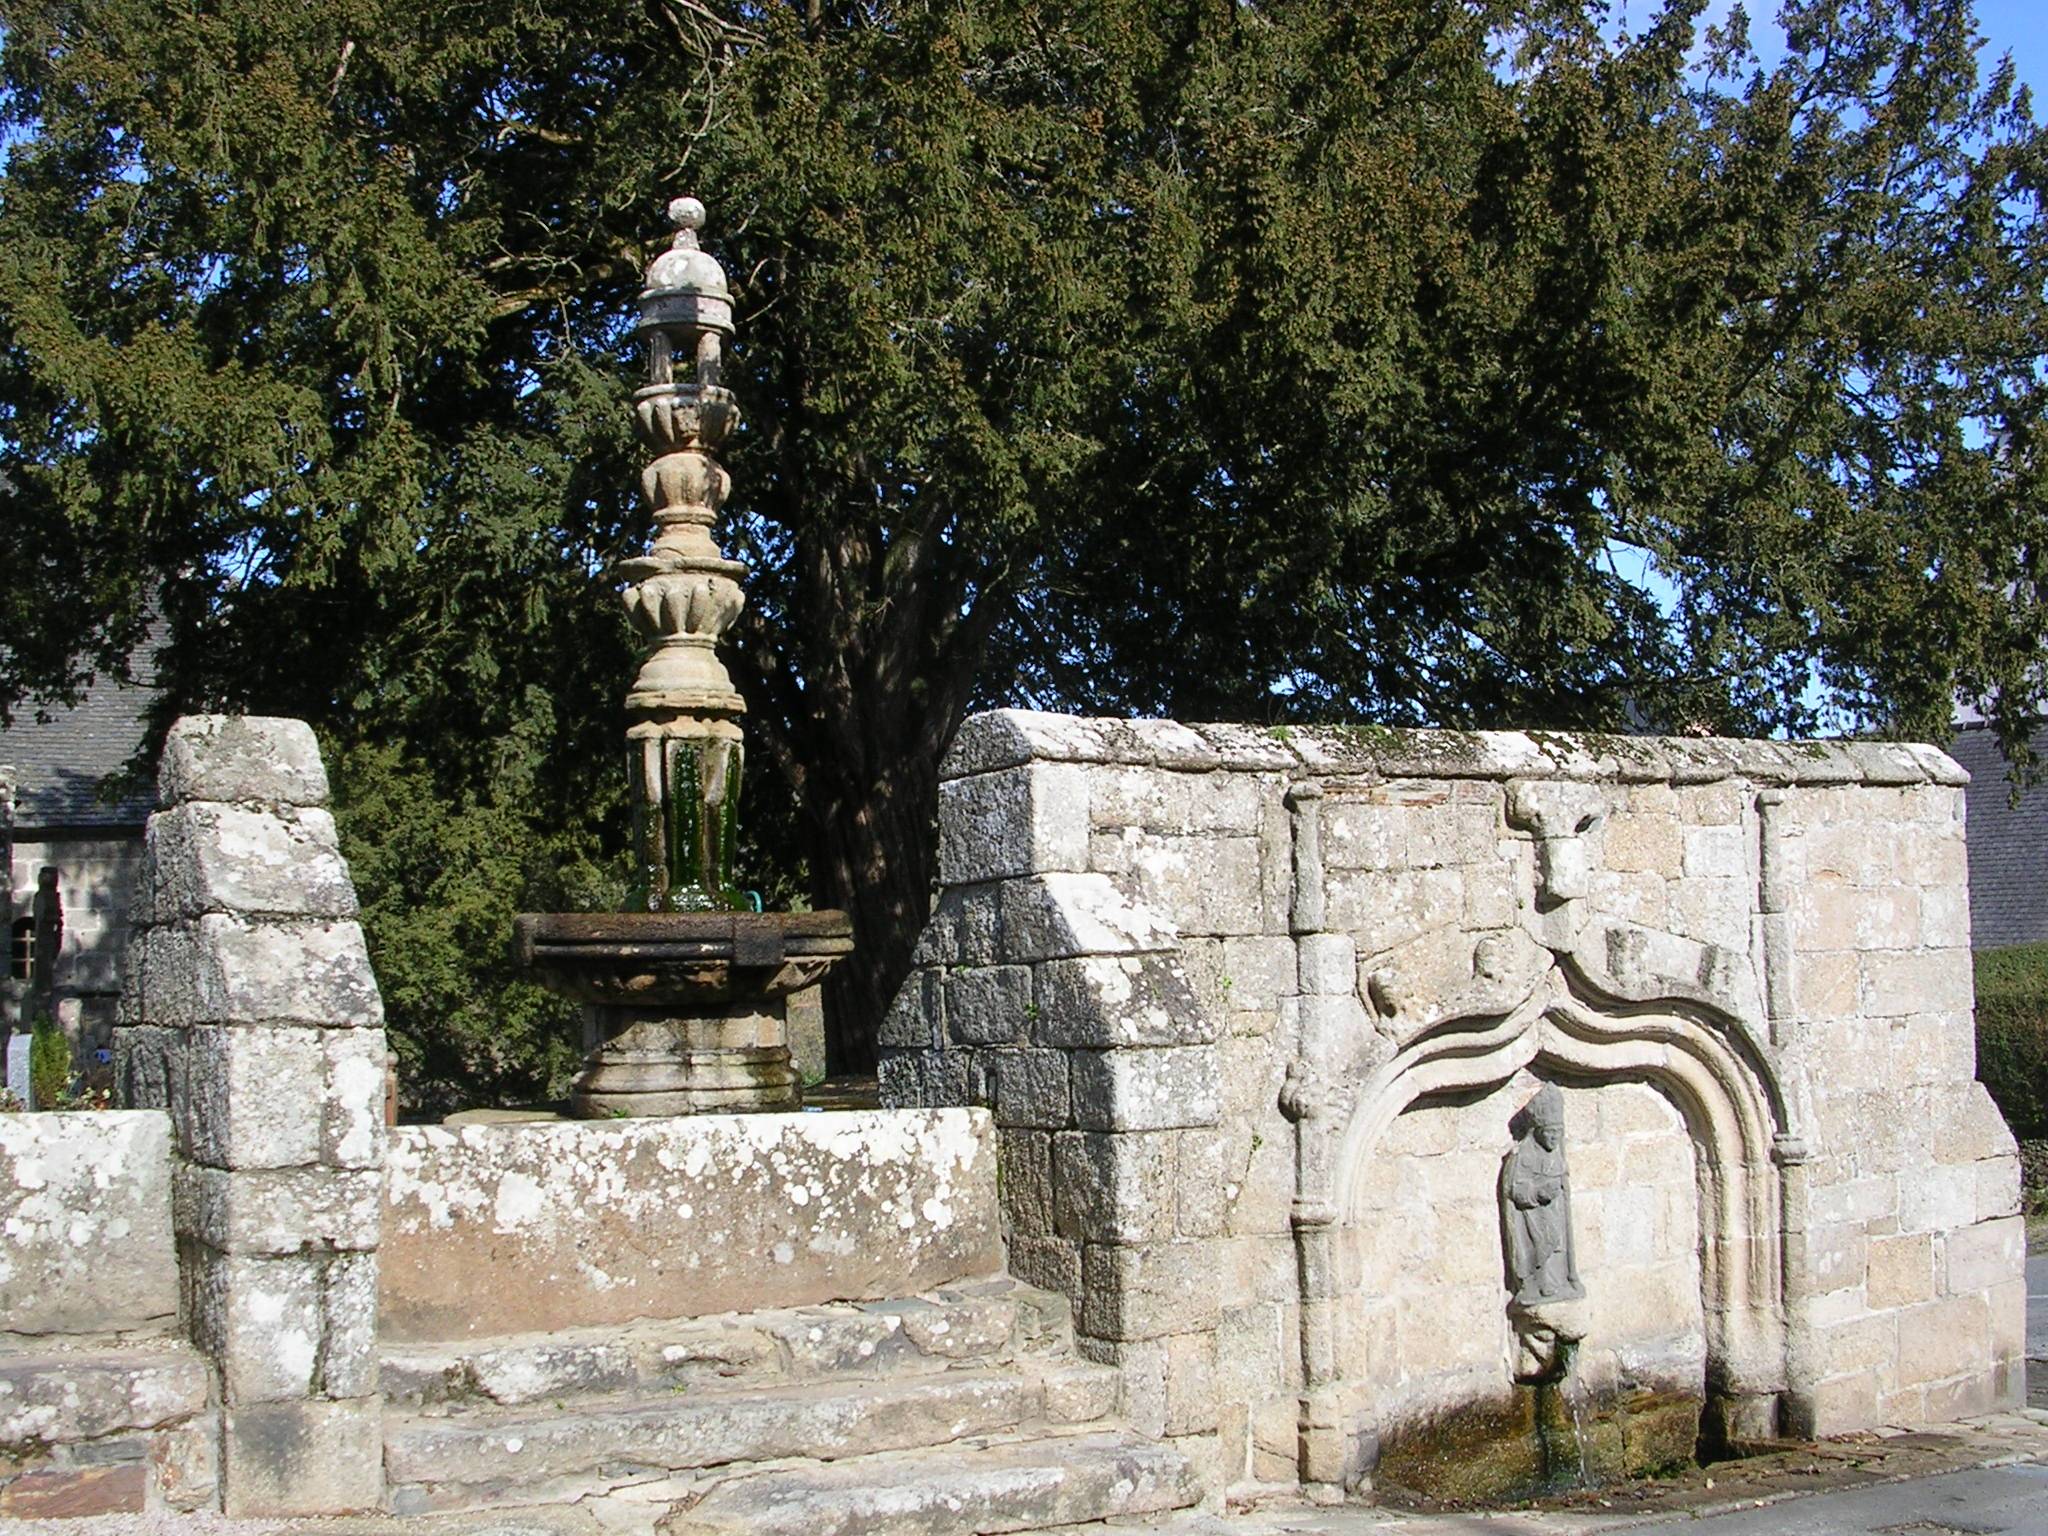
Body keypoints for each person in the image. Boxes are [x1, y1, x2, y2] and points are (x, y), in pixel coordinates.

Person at [1502, 1082, 1583, 1305]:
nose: (1554, 1139)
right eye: (1550, 1133)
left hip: (1554, 1209)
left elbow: (1562, 1175)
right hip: (1533, 1214)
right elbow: (1515, 1189)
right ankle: (1537, 1282)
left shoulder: (1556, 1153)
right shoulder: (1523, 1155)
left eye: (1558, 1133)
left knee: (1558, 1245)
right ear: (1538, 1131)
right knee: (1540, 1245)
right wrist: (1538, 1193)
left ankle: (1563, 1278)